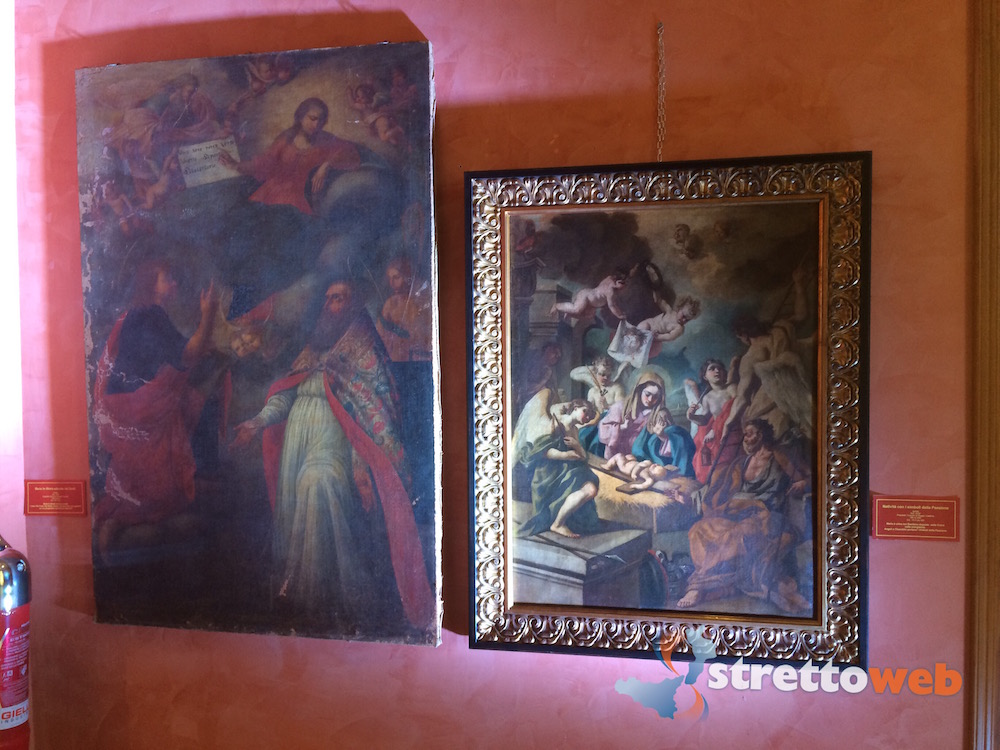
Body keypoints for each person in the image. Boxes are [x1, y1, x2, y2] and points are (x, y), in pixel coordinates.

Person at [232, 279, 433, 635]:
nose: (328, 305)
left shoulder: (365, 355)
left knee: (318, 483)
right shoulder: (312, 351)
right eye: (327, 298)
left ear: (353, 305)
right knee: (301, 493)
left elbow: (370, 419)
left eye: (337, 298)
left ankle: (341, 595)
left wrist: (359, 464)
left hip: (335, 449)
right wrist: (256, 422)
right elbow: (285, 396)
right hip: (298, 449)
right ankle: (301, 595)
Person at [92, 261, 219, 553]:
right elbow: (188, 355)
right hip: (141, 405)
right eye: (167, 279)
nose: (174, 284)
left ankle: (118, 526)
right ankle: (118, 524)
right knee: (201, 397)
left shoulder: (136, 315)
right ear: (152, 284)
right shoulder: (150, 315)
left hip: (127, 403)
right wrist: (209, 314)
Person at [676, 419, 810, 613]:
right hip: (736, 511)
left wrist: (803, 483)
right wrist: (690, 498)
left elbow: (807, 476)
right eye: (745, 434)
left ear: (761, 435)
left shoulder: (779, 456)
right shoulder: (742, 463)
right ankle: (719, 583)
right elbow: (717, 490)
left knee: (737, 534)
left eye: (749, 434)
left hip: (764, 515)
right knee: (698, 530)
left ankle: (697, 586)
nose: (745, 439)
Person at [220, 97, 363, 216]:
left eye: (321, 120)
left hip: (297, 204)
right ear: (301, 117)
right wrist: (236, 165)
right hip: (268, 195)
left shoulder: (326, 140)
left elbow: (351, 153)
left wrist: (326, 165)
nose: (317, 124)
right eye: (312, 119)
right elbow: (265, 163)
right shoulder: (287, 138)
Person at [512, 391, 601, 538]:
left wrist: (577, 447)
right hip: (551, 474)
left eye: (589, 416)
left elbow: (582, 456)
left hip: (570, 470)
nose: (586, 417)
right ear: (575, 407)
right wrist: (565, 455)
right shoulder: (556, 424)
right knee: (590, 490)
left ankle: (559, 522)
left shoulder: (575, 430)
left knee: (591, 489)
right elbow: (541, 451)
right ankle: (558, 524)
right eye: (585, 411)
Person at [685, 358, 742, 483]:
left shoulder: (731, 388)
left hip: (734, 431)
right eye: (712, 369)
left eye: (719, 368)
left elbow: (739, 408)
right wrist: (692, 416)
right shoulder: (707, 398)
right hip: (717, 436)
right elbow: (705, 420)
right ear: (705, 376)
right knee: (704, 457)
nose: (717, 371)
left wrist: (717, 429)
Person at [596, 370, 666, 458]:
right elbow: (603, 429)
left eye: (655, 396)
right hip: (616, 455)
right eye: (647, 394)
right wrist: (622, 427)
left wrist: (661, 435)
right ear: (639, 390)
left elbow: (668, 444)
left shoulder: (659, 414)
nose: (650, 399)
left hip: (641, 459)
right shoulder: (621, 407)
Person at [375, 256, 433, 361]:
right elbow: (380, 335)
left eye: (396, 277)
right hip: (398, 358)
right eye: (390, 278)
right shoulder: (391, 304)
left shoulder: (423, 300)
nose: (392, 283)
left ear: (407, 277)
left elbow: (428, 334)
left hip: (421, 357)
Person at [550, 272, 627, 319]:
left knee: (588, 315)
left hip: (590, 302)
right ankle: (557, 306)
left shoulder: (609, 278)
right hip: (586, 296)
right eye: (622, 284)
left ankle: (569, 312)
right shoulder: (611, 291)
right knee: (577, 309)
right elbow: (612, 305)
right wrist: (619, 315)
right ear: (617, 281)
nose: (623, 287)